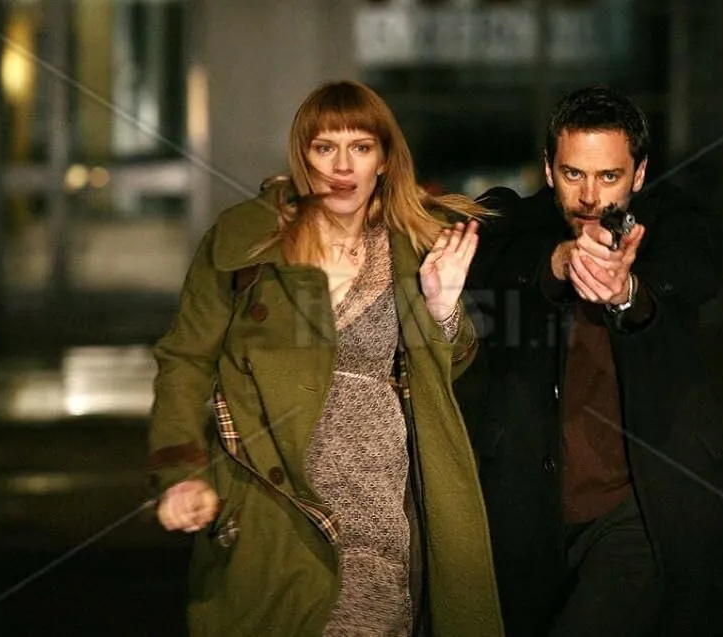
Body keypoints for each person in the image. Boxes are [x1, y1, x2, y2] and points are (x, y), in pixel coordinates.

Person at [148, 80, 504, 637]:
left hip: (376, 508)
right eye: (325, 147)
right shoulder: (247, 241)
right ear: (303, 156)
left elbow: (447, 367)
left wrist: (440, 309)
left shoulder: (411, 246)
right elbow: (185, 360)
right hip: (273, 507)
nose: (342, 166)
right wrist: (181, 474)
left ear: (383, 159)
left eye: (360, 147)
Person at [457, 85, 723, 636]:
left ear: (638, 174)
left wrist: (626, 293)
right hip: (534, 513)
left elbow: (691, 275)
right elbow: (487, 260)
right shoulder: (518, 224)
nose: (590, 197)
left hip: (643, 508)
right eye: (573, 174)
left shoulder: (675, 223)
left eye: (609, 176)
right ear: (548, 169)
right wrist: (558, 263)